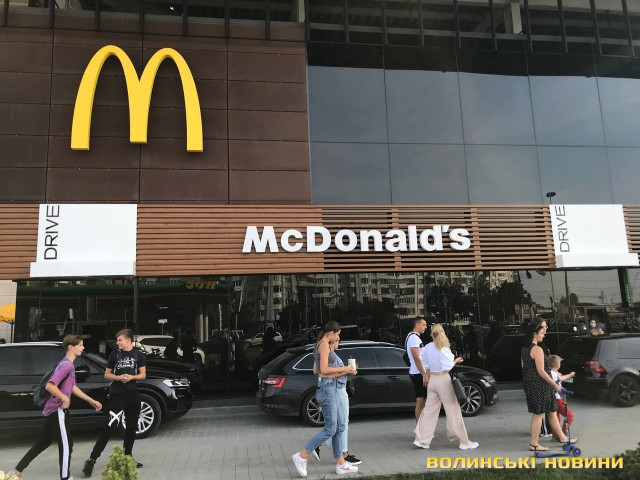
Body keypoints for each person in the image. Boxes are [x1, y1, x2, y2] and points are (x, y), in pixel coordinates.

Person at [11, 335, 102, 480]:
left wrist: (90, 400)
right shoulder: (66, 365)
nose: (83, 348)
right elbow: (50, 386)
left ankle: (17, 471)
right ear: (70, 347)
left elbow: (72, 387)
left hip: (53, 409)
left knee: (45, 441)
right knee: (66, 445)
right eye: (80, 345)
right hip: (57, 410)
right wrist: (64, 398)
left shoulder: (68, 364)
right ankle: (65, 477)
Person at [291, 321, 357, 477]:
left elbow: (318, 371)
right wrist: (345, 368)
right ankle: (303, 455)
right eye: (338, 335)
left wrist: (345, 372)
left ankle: (341, 463)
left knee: (339, 427)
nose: (338, 338)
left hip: (329, 386)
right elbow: (324, 370)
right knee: (331, 428)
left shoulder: (321, 344)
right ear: (331, 333)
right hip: (328, 389)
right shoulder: (324, 345)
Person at [82, 329, 146, 477]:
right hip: (117, 394)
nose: (117, 343)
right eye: (117, 340)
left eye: (120, 340)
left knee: (131, 427)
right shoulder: (114, 355)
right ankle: (91, 460)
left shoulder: (138, 355)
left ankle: (127, 457)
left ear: (128, 340)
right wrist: (119, 378)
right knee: (111, 427)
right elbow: (107, 374)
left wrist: (132, 377)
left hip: (133, 394)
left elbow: (143, 374)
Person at [413, 324, 479, 450]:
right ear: (442, 332)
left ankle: (422, 440)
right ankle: (464, 442)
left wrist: (427, 378)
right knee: (453, 411)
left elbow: (426, 366)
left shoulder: (427, 347)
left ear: (431, 334)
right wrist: (456, 361)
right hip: (443, 380)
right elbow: (448, 367)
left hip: (432, 380)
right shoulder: (443, 347)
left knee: (429, 412)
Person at [522, 322, 577, 452]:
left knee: (552, 412)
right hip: (540, 385)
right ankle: (534, 444)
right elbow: (541, 371)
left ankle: (562, 437)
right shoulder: (537, 349)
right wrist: (555, 385)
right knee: (538, 414)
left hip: (533, 384)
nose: (544, 334)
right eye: (542, 331)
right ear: (535, 333)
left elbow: (524, 367)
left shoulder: (524, 348)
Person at [311, 337, 361, 466]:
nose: (339, 342)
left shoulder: (328, 354)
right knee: (341, 424)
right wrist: (347, 370)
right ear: (331, 339)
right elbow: (326, 373)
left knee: (339, 424)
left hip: (336, 388)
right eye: (338, 339)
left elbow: (318, 370)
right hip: (337, 389)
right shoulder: (329, 354)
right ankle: (342, 454)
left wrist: (346, 370)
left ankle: (340, 455)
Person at [406, 316, 428, 422]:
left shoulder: (413, 337)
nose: (426, 327)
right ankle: (421, 427)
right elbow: (416, 358)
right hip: (418, 373)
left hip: (417, 372)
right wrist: (424, 374)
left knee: (421, 400)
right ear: (417, 325)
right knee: (421, 401)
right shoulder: (414, 338)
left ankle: (421, 426)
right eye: (424, 325)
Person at [548, 355, 575, 437]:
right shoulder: (553, 373)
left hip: (553, 398)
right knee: (569, 415)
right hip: (557, 399)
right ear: (557, 365)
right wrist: (570, 374)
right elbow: (561, 378)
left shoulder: (550, 372)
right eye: (559, 363)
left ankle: (556, 434)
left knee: (556, 416)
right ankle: (563, 433)